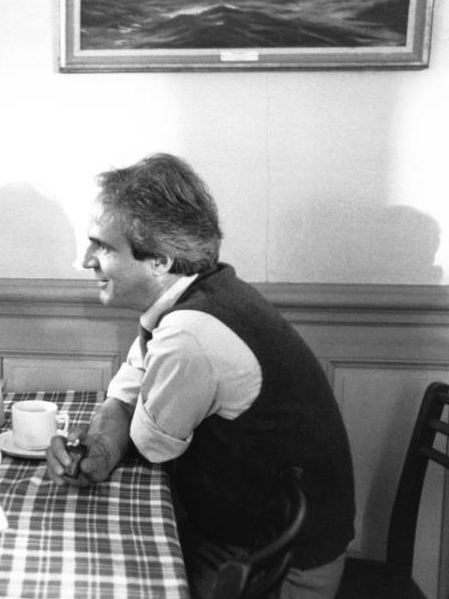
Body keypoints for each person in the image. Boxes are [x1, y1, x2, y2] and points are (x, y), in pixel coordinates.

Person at [46, 153, 354, 599]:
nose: (84, 261)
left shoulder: (192, 333)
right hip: (241, 538)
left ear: (160, 262)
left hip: (277, 569)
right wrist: (98, 448)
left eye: (104, 247)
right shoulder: (197, 295)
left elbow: (149, 444)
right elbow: (128, 389)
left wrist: (103, 445)